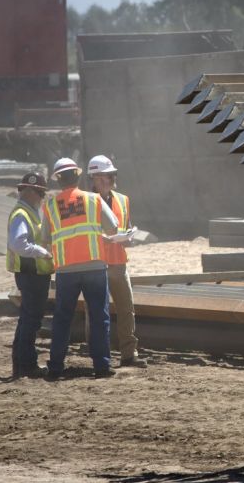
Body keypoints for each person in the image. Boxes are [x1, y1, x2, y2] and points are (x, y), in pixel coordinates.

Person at [41, 157, 119, 379]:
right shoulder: (93, 199)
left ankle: (56, 367)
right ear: (77, 175)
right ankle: (102, 366)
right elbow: (113, 226)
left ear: (57, 180)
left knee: (62, 319)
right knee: (98, 317)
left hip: (66, 271)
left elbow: (45, 238)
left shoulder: (50, 206)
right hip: (94, 267)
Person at [87, 155, 147, 367]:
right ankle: (98, 356)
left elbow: (127, 226)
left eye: (110, 176)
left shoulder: (123, 199)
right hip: (95, 264)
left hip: (118, 262)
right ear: (93, 178)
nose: (108, 180)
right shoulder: (85, 201)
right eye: (103, 177)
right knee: (95, 312)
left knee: (126, 309)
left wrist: (128, 237)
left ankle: (129, 355)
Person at [6, 172, 54, 379]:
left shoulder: (28, 212)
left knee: (27, 319)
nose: (42, 198)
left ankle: (21, 364)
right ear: (30, 192)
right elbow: (18, 244)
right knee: (31, 320)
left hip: (32, 274)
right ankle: (26, 365)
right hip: (31, 274)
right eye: (41, 194)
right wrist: (42, 252)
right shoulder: (22, 214)